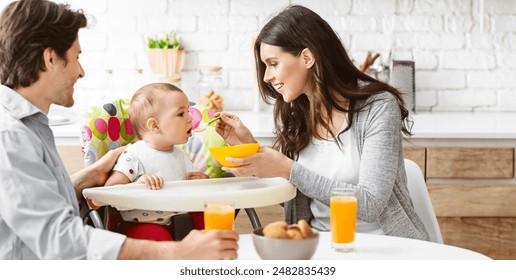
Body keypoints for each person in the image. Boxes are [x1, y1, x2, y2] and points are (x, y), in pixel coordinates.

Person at [0, 0, 238, 260]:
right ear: (50, 58)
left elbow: (41, 206)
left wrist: (85, 179)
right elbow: (60, 240)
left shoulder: (28, 127)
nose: (81, 72)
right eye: (76, 57)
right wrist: (179, 251)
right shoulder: (10, 136)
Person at [214, 4, 430, 241]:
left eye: (273, 63)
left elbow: (371, 205)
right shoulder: (298, 114)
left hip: (386, 247)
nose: (266, 76)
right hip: (319, 248)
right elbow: (296, 203)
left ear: (307, 57)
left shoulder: (377, 107)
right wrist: (252, 151)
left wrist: (290, 170)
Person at [104, 83, 208, 240]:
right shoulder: (134, 154)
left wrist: (201, 183)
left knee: (213, 219)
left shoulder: (181, 155)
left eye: (188, 111)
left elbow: (191, 191)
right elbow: (109, 191)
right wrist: (138, 185)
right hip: (143, 224)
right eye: (181, 114)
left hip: (182, 219)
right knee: (158, 240)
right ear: (154, 125)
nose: (190, 118)